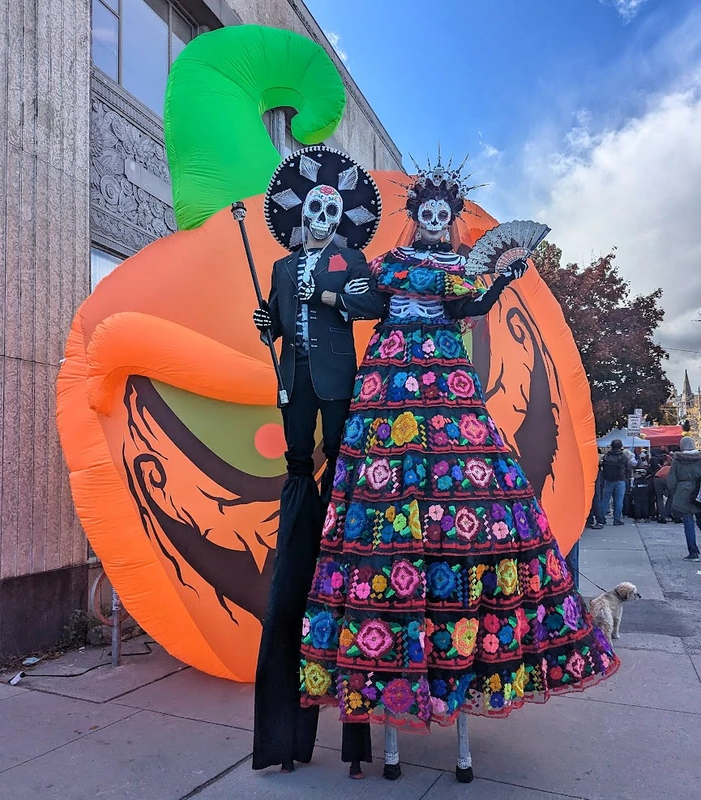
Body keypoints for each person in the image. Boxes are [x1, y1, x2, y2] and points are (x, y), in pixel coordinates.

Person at [298, 156, 620, 783]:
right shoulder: (391, 265)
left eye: (445, 215)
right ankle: (393, 733)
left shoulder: (455, 270)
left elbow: (465, 309)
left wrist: (502, 280)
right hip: (391, 384)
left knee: (464, 496)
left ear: (450, 223)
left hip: (445, 383)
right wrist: (331, 286)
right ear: (416, 218)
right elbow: (369, 304)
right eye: (428, 213)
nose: (437, 222)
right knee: (386, 499)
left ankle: (454, 718)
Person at [251, 146, 383, 772]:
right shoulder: (279, 266)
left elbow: (370, 304)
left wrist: (327, 294)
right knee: (298, 460)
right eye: (314, 208)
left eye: (332, 208)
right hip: (294, 377)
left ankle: (337, 505)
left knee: (336, 453)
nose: (323, 216)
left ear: (340, 218)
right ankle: (303, 499)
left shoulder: (349, 261)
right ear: (302, 215)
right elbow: (277, 319)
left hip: (336, 378)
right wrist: (267, 321)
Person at [667, 436, 701, 562]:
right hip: (699, 491)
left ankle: (693, 552)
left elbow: (671, 479)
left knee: (688, 523)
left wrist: (674, 492)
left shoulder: (677, 460)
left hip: (683, 492)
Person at [602, 440, 631, 526]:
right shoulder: (623, 457)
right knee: (618, 501)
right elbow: (627, 469)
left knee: (605, 500)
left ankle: (602, 518)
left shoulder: (606, 456)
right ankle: (616, 519)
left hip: (608, 480)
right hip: (620, 480)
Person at [586, 453, 606, 529]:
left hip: (590, 477)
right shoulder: (595, 456)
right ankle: (599, 520)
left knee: (593, 498)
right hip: (595, 476)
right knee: (595, 498)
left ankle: (595, 520)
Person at [653, 455, 674, 522]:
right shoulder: (673, 468)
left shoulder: (664, 467)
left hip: (657, 478)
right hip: (667, 479)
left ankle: (662, 516)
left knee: (659, 497)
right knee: (671, 496)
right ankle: (668, 512)